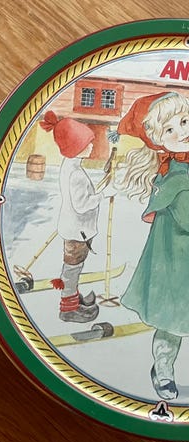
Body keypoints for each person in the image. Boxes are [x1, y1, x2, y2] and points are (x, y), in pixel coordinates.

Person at [116, 91, 189, 400]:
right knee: (173, 321)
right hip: (176, 265)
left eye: (184, 121)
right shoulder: (176, 179)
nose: (182, 132)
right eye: (170, 129)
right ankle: (163, 370)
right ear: (158, 140)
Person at [40, 111, 114, 322]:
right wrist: (103, 194)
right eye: (87, 143)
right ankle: (68, 308)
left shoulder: (71, 167)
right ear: (75, 147)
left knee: (74, 267)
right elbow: (82, 205)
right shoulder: (76, 175)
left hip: (75, 228)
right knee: (73, 269)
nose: (91, 146)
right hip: (78, 231)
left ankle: (72, 297)